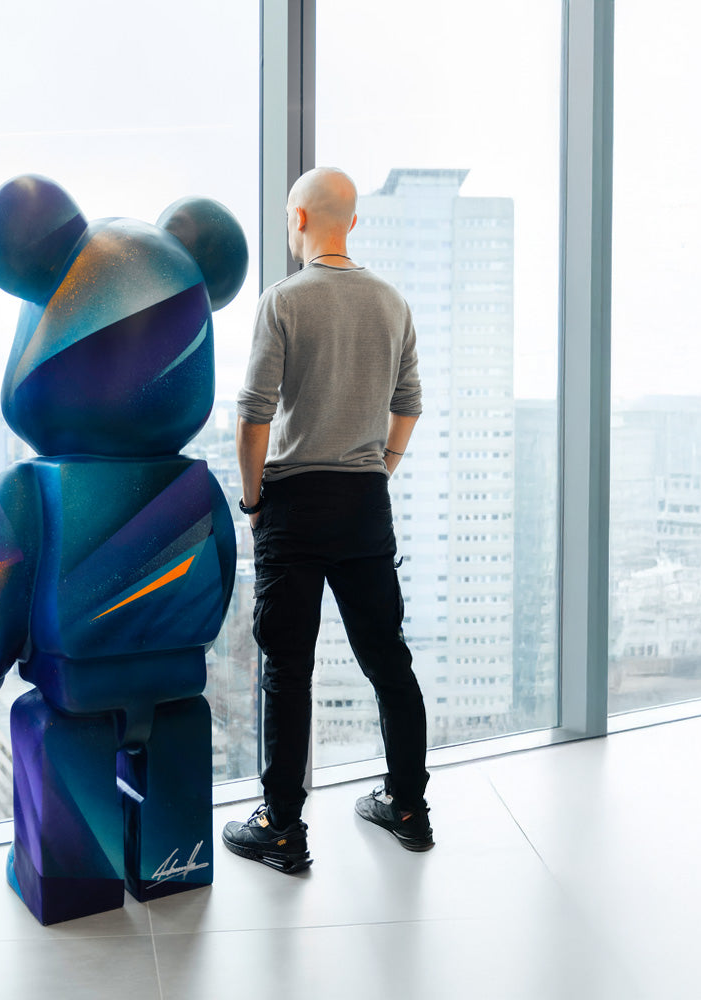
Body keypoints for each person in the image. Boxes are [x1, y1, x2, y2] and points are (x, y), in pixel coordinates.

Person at [220, 167, 432, 873]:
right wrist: (382, 467)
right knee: (388, 661)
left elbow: (253, 417)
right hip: (365, 500)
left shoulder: (283, 300)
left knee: (287, 667)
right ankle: (407, 807)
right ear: (354, 224)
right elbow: (409, 403)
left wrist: (253, 502)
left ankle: (281, 826)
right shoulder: (391, 301)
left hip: (295, 501)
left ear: (300, 220)